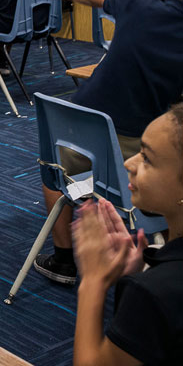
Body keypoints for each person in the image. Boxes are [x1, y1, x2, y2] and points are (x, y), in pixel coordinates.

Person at [33, 0, 183, 285]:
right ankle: (171, 261)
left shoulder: (140, 4)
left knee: (53, 170)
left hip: (75, 126)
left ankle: (63, 259)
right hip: (133, 156)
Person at [71, 105, 183, 366]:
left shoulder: (154, 294)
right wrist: (143, 272)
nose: (128, 163)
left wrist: (93, 281)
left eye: (146, 158)